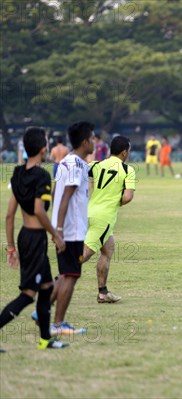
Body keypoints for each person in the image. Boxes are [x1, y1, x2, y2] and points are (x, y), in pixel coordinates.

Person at [1, 127, 69, 350]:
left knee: (47, 287)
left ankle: (45, 339)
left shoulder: (18, 173)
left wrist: (11, 247)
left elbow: (10, 215)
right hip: (35, 239)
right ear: (43, 149)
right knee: (28, 294)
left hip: (24, 237)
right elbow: (40, 210)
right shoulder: (42, 176)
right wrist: (56, 234)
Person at [39, 122, 95, 335]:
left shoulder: (67, 162)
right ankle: (58, 324)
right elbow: (64, 197)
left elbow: (55, 194)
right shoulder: (76, 165)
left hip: (69, 228)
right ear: (84, 142)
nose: (94, 142)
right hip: (71, 231)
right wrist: (59, 229)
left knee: (66, 274)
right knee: (71, 275)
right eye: (92, 138)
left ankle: (43, 311)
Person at [81, 136, 136, 303]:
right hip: (104, 217)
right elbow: (127, 197)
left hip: (88, 212)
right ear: (124, 152)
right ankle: (56, 282)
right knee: (85, 254)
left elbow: (80, 173)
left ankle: (103, 293)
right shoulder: (127, 170)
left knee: (108, 249)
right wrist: (114, 201)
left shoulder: (96, 165)